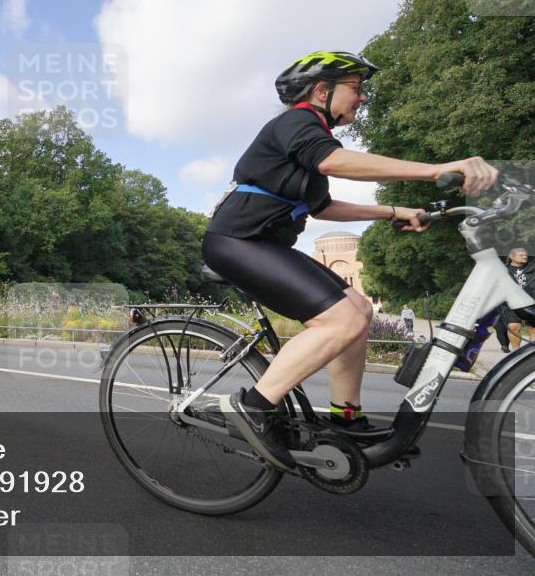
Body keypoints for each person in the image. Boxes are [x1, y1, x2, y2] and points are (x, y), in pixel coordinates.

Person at [204, 51, 499, 470]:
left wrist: (395, 211)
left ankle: (346, 417)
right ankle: (252, 407)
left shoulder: (309, 139)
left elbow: (322, 207)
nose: (361, 99)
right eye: (355, 89)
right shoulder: (296, 123)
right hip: (236, 241)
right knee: (339, 320)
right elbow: (334, 161)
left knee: (358, 309)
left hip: (265, 245)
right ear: (322, 91)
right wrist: (435, 170)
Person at [504, 248, 535, 350]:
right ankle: (516, 351)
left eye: (525, 255)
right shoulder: (504, 270)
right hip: (513, 303)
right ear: (512, 257)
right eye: (521, 255)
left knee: (533, 329)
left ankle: (531, 353)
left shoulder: (532, 268)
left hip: (531, 302)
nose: (525, 256)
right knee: (514, 327)